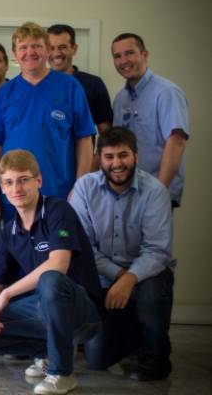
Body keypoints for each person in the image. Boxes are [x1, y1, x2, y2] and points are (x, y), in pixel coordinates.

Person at [0, 150, 102, 395]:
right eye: (9, 182)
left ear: (38, 181)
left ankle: (61, 373)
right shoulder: (9, 232)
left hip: (80, 311)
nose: (17, 188)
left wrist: (6, 295)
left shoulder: (58, 210)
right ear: (2, 187)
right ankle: (45, 353)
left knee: (50, 280)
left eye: (23, 180)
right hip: (40, 310)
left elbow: (59, 264)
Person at [70, 127, 175, 381]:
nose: (116, 163)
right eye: (109, 156)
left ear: (136, 156)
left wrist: (129, 279)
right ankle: (136, 333)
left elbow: (157, 250)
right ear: (99, 159)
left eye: (123, 155)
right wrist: (119, 276)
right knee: (96, 359)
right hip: (103, 278)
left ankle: (156, 356)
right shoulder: (84, 188)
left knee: (151, 292)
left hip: (147, 276)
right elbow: (83, 247)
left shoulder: (155, 191)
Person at [0, 22, 95, 224]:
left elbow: (84, 140)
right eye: (23, 47)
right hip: (14, 197)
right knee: (16, 245)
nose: (30, 52)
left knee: (60, 244)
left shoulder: (70, 87)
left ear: (48, 50)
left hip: (60, 195)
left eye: (36, 46)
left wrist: (80, 187)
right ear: (15, 54)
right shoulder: (4, 93)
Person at [110, 32, 189, 207]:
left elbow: (177, 142)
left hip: (156, 191)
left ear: (144, 55)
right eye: (117, 56)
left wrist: (158, 192)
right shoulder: (120, 99)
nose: (123, 61)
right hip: (125, 192)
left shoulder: (166, 93)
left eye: (129, 53)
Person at [47, 24, 113, 135]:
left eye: (63, 47)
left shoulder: (94, 84)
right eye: (51, 48)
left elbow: (106, 131)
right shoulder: (38, 84)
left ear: (74, 49)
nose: (56, 53)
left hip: (83, 146)